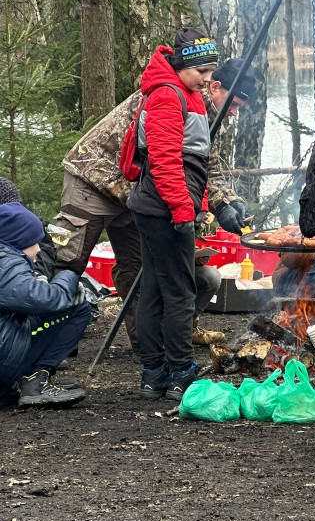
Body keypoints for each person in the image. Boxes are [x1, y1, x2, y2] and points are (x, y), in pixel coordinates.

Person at [52, 54, 257, 353]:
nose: (235, 113)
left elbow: (206, 168)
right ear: (215, 87)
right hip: (94, 178)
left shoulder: (207, 114)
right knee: (68, 261)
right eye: (235, 104)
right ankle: (52, 346)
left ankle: (149, 347)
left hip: (134, 192)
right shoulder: (168, 97)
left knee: (138, 271)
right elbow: (162, 161)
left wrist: (226, 203)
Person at [129, 29, 220, 400]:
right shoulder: (168, 95)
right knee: (180, 290)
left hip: (157, 207)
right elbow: (166, 160)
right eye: (202, 70)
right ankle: (181, 370)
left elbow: (194, 159)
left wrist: (200, 203)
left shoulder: (184, 92)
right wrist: (183, 209)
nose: (208, 78)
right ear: (183, 65)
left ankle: (154, 373)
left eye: (212, 70)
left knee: (154, 288)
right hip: (164, 208)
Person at [0, 202, 93, 408]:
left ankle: (14, 384)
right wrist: (69, 277)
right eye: (35, 242)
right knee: (77, 308)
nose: (39, 248)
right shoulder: (5, 263)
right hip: (4, 355)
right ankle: (34, 383)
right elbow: (48, 300)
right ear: (20, 241)